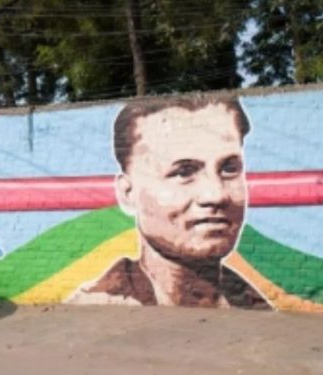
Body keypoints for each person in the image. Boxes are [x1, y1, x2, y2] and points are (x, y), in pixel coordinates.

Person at [68, 96, 270, 309]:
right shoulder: (101, 312)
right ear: (128, 193)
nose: (216, 194)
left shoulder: (258, 311)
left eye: (229, 169)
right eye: (184, 172)